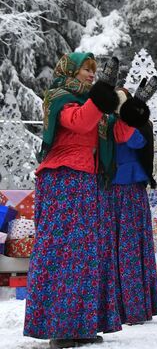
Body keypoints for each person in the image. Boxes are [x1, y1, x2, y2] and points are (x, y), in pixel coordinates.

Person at [24, 53, 122, 348]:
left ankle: (81, 325)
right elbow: (79, 123)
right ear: (70, 71)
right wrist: (101, 96)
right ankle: (60, 327)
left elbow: (119, 134)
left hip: (86, 182)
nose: (91, 75)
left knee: (84, 255)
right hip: (62, 180)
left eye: (95, 71)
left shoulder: (95, 106)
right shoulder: (59, 97)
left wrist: (133, 110)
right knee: (63, 253)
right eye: (86, 70)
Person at [112, 78, 157, 325]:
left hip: (129, 189)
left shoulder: (135, 125)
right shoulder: (110, 123)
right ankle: (127, 306)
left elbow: (136, 141)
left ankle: (132, 306)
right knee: (123, 249)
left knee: (131, 248)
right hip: (117, 190)